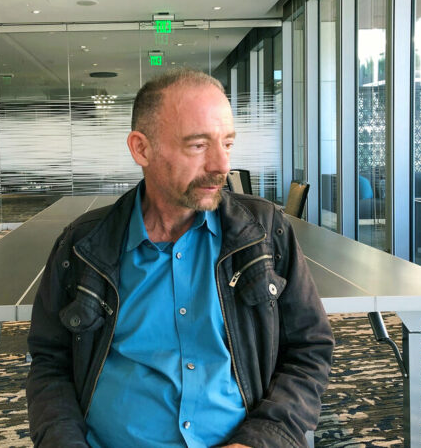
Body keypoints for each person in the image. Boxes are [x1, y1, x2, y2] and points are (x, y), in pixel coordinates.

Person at [26, 69, 334, 448]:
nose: (222, 166)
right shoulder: (83, 246)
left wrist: (263, 439)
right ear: (142, 148)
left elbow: (309, 349)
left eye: (227, 144)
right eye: (198, 145)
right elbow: (49, 363)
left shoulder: (266, 233)